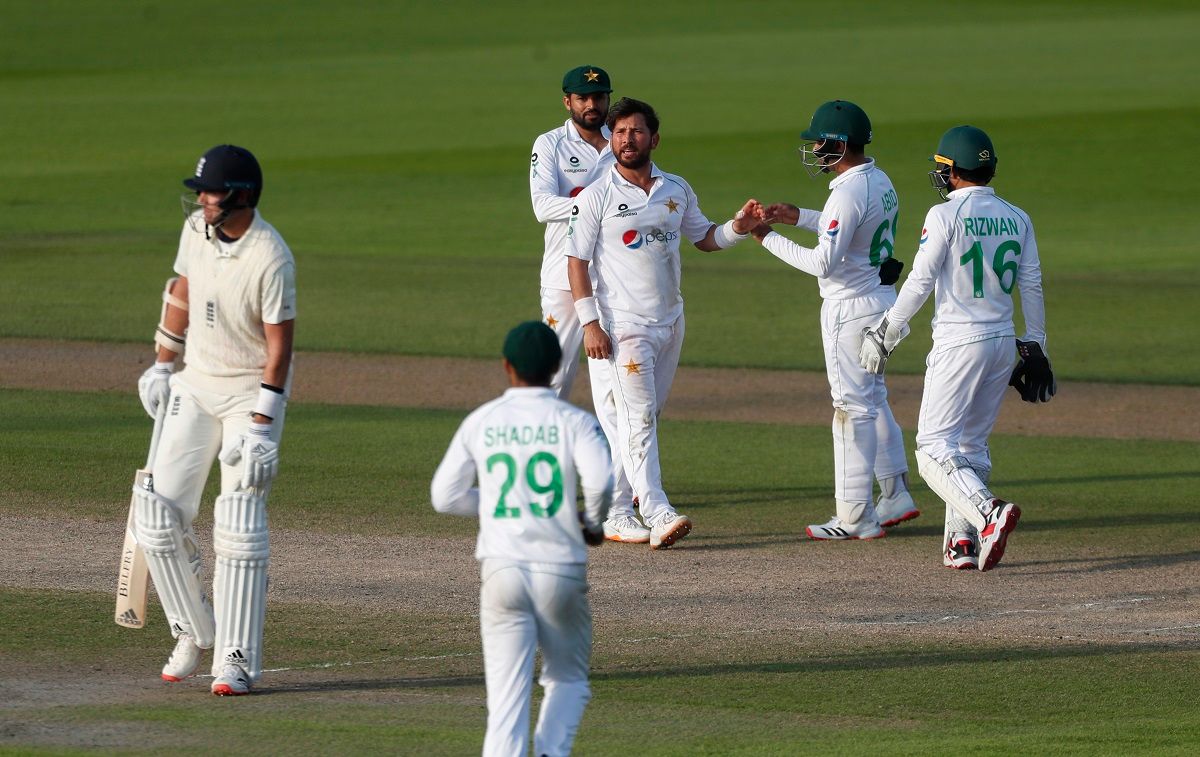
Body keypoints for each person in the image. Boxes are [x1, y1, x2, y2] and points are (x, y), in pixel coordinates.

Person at [134, 144, 296, 695]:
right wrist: (161, 364)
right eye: (200, 189)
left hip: (249, 389)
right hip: (196, 381)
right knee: (155, 516)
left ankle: (235, 656)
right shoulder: (196, 231)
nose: (202, 199)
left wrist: (262, 421)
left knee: (239, 522)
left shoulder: (270, 256)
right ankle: (192, 630)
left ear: (242, 197)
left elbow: (280, 346)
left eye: (212, 191)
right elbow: (180, 290)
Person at [858, 125, 1054, 571]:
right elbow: (1032, 283)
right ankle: (960, 543)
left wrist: (886, 331)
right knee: (969, 448)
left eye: (942, 167)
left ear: (954, 171)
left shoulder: (943, 215)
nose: (939, 174)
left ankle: (988, 512)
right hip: (1004, 343)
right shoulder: (1018, 216)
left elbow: (921, 280)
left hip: (958, 343)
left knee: (931, 450)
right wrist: (1036, 347)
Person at [566, 97, 759, 549]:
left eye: (634, 131)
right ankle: (655, 510)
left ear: (654, 137)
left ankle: (612, 512)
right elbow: (575, 262)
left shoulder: (675, 188)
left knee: (639, 418)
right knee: (639, 420)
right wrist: (590, 324)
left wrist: (739, 226)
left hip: (670, 321)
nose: (625, 140)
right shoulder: (597, 196)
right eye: (618, 132)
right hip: (621, 326)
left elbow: (705, 238)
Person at [430, 321, 613, 757]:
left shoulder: (483, 420)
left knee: (505, 703)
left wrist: (497, 504)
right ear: (556, 367)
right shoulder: (574, 421)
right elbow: (602, 481)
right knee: (567, 679)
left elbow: (444, 496)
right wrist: (592, 521)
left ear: (506, 366)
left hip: (502, 567)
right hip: (560, 569)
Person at [747, 100, 919, 541]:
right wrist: (798, 216)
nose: (814, 148)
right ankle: (895, 493)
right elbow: (852, 229)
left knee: (849, 409)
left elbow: (824, 262)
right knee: (874, 399)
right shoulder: (879, 179)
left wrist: (766, 236)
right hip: (880, 300)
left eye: (820, 141)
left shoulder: (845, 191)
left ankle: (855, 517)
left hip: (849, 310)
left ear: (840, 144)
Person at [529, 65, 641, 544]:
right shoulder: (550, 145)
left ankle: (625, 489)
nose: (592, 105)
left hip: (615, 284)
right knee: (552, 383)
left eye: (599, 96)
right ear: (567, 102)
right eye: (582, 98)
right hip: (564, 280)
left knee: (618, 393)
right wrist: (595, 201)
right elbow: (542, 206)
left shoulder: (620, 141)